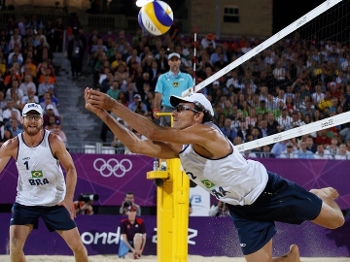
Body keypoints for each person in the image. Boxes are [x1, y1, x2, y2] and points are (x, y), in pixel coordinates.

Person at [84, 88, 345, 262]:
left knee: (336, 222)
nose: (174, 112)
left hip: (267, 191)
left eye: (182, 108)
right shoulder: (181, 147)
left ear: (199, 116)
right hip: (241, 208)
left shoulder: (208, 133)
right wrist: (104, 115)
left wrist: (113, 104)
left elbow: (153, 133)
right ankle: (288, 258)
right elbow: (136, 145)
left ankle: (318, 194)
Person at [0, 103, 88, 261]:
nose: (32, 121)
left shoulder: (53, 141)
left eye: (36, 117)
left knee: (78, 247)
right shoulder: (12, 145)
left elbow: (71, 169)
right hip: (26, 202)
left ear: (42, 120)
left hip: (54, 202)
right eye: (29, 117)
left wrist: (68, 198)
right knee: (14, 246)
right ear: (22, 119)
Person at [153, 52, 193, 126]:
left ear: (180, 62)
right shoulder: (162, 78)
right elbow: (158, 94)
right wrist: (156, 109)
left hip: (182, 109)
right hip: (167, 108)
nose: (174, 62)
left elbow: (192, 94)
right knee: (164, 133)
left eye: (176, 60)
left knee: (183, 132)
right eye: (172, 60)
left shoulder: (188, 78)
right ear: (168, 62)